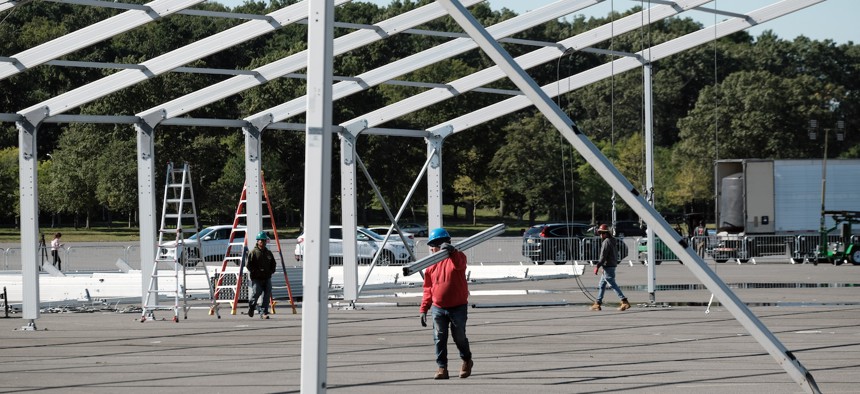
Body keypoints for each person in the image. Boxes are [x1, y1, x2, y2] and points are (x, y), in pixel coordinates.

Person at [419, 228, 473, 380]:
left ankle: (467, 360)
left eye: (433, 245)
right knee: (439, 338)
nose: (431, 249)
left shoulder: (457, 257)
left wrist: (453, 252)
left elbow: (461, 265)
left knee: (459, 336)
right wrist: (424, 308)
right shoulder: (431, 265)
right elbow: (427, 289)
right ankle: (442, 368)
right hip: (438, 308)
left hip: (458, 307)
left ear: (442, 244)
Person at [590, 224, 631, 311]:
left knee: (612, 284)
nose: (601, 235)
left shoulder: (606, 242)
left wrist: (597, 266)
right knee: (602, 285)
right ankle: (597, 303)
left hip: (608, 266)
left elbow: (603, 256)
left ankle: (624, 301)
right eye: (600, 233)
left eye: (602, 233)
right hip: (610, 265)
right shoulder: (613, 240)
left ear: (607, 233)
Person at [246, 231, 277, 319]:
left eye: (264, 240)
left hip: (267, 277)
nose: (263, 242)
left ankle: (264, 312)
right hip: (257, 278)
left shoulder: (268, 253)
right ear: (257, 241)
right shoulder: (253, 252)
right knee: (256, 293)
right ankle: (252, 307)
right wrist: (254, 272)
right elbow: (249, 265)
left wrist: (271, 271)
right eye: (261, 240)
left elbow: (273, 263)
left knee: (267, 294)